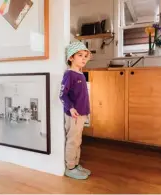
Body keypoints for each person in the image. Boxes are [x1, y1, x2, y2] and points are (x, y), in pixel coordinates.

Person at [59, 41, 91, 180]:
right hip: (74, 115)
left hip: (82, 114)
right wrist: (70, 108)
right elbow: (62, 95)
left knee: (78, 140)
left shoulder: (81, 74)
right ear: (71, 58)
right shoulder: (69, 75)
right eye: (80, 55)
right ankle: (70, 167)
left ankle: (76, 164)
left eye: (85, 56)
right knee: (73, 141)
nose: (83, 58)